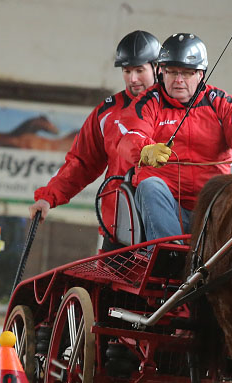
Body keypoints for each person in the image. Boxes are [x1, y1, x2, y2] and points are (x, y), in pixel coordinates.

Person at [117, 32, 232, 241]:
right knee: (150, 186)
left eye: (187, 73)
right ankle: (170, 254)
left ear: (201, 74)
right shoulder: (147, 102)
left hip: (214, 207)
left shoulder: (222, 103)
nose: (179, 80)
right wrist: (144, 150)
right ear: (161, 72)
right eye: (172, 72)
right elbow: (130, 135)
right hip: (166, 206)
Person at [29, 30, 160, 250]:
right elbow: (81, 163)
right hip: (120, 230)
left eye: (140, 70)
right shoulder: (106, 114)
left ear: (157, 68)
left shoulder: (176, 109)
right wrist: (47, 198)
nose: (133, 79)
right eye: (127, 71)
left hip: (167, 231)